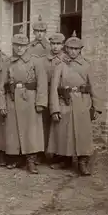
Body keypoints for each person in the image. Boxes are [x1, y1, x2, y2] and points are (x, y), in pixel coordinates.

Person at [48, 31, 104, 176]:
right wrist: (54, 109)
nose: (73, 52)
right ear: (65, 49)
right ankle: (65, 160)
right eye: (70, 48)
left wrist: (97, 107)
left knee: (82, 133)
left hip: (82, 102)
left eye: (76, 49)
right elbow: (54, 88)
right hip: (64, 102)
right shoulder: (60, 66)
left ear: (80, 50)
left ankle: (83, 162)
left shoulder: (86, 65)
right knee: (64, 132)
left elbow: (94, 87)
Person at [0, 28, 48, 174]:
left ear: (27, 47)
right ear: (12, 46)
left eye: (22, 46)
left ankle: (31, 160)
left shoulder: (36, 62)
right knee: (13, 130)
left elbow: (42, 84)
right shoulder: (7, 63)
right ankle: (15, 158)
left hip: (30, 99)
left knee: (31, 131)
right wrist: (1, 104)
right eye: (16, 45)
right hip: (12, 98)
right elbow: (2, 85)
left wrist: (41, 103)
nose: (19, 48)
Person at [40, 31, 68, 168]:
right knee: (44, 124)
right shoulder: (43, 60)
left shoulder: (66, 60)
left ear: (63, 45)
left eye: (58, 44)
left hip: (60, 96)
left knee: (59, 127)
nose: (55, 47)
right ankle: (43, 153)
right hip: (45, 94)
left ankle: (60, 156)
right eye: (53, 44)